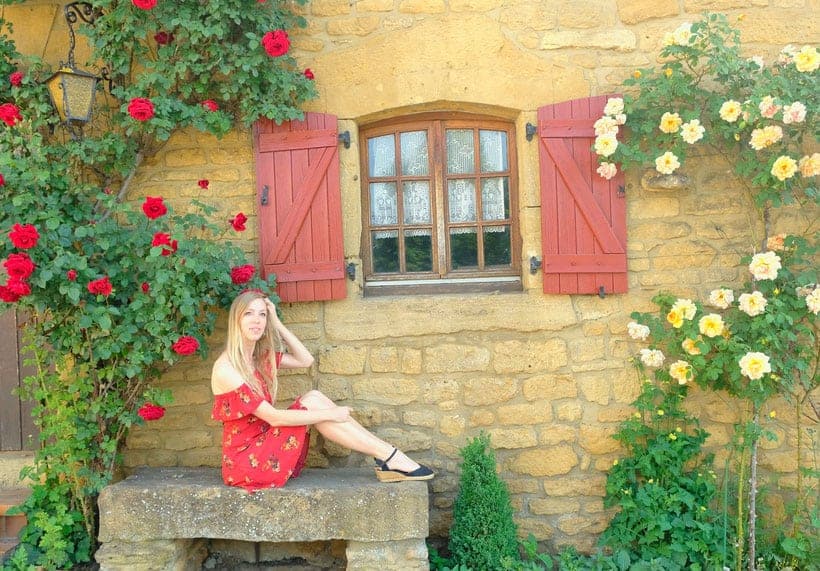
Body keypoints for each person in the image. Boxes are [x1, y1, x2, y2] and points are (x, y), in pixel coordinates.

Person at [210, 289, 434, 492]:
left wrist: (277, 324)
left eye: (262, 314)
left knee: (314, 397)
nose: (257, 321)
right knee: (316, 404)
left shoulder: (257, 358)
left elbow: (305, 360)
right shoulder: (227, 368)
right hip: (246, 461)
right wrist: (331, 414)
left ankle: (388, 455)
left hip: (262, 444)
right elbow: (275, 418)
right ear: (236, 319)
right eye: (249, 314)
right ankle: (390, 457)